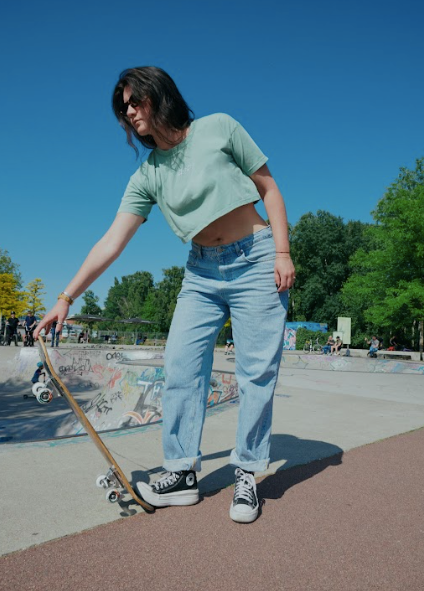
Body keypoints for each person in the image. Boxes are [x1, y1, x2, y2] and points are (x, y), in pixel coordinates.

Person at [35, 66, 295, 524]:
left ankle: (248, 474)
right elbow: (111, 242)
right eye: (123, 108)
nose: (129, 111)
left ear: (158, 96)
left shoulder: (219, 127)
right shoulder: (147, 174)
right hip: (200, 273)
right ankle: (180, 474)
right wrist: (66, 297)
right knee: (179, 365)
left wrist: (283, 251)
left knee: (256, 372)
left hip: (256, 259)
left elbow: (269, 189)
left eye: (135, 101)